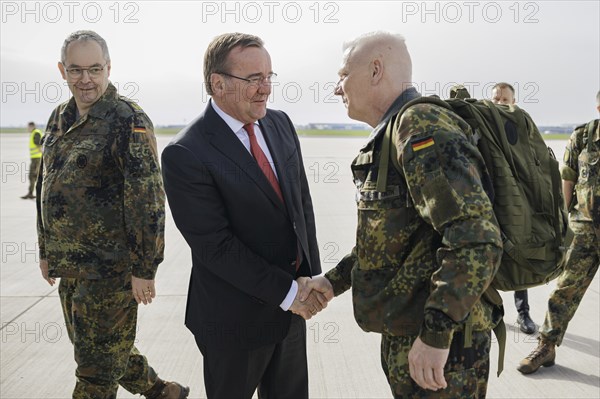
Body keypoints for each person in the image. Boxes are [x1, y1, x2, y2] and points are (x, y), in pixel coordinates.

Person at [314, 31, 503, 398]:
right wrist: (333, 282)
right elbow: (399, 240)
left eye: (342, 74)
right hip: (418, 335)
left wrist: (435, 333)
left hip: (445, 347)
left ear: (374, 71)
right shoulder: (397, 131)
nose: (337, 88)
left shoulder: (420, 128)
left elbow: (476, 236)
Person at [161, 32, 329, 399]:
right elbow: (215, 247)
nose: (265, 88)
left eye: (269, 77)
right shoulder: (186, 153)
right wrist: (289, 293)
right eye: (253, 79)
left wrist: (309, 280)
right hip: (233, 322)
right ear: (217, 83)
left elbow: (301, 206)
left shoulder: (279, 123)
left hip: (290, 312)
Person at [36, 30, 189, 399]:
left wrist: (144, 268)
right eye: (75, 70)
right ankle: (161, 392)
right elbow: (47, 185)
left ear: (108, 68)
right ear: (62, 70)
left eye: (94, 69)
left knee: (94, 371)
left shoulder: (127, 119)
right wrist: (45, 251)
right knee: (99, 348)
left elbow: (148, 199)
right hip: (70, 263)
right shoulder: (60, 117)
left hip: (111, 269)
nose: (85, 79)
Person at [518, 90, 600, 374]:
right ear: (599, 106)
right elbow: (568, 177)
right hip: (584, 230)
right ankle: (546, 346)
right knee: (564, 290)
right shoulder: (583, 137)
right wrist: (564, 220)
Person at [491, 82, 537, 335]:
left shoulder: (520, 125)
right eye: (495, 98)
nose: (499, 102)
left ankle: (523, 313)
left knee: (518, 256)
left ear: (513, 101)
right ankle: (489, 313)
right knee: (486, 256)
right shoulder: (481, 124)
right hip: (489, 200)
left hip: (515, 201)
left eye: (504, 99)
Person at [21, 121, 43, 199]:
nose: (27, 129)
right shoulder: (35, 133)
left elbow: (39, 144)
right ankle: (32, 193)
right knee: (34, 176)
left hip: (36, 158)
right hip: (36, 158)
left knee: (33, 176)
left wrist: (42, 155)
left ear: (32, 126)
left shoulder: (36, 133)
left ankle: (34, 193)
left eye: (28, 127)